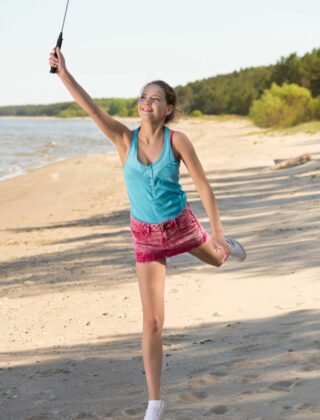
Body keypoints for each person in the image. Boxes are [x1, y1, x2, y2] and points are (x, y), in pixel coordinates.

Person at [49, 46, 246, 420]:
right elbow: (91, 108)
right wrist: (63, 73)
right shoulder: (124, 139)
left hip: (182, 225)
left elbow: (203, 186)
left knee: (217, 261)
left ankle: (225, 249)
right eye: (143, 96)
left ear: (168, 108)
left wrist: (218, 232)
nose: (147, 102)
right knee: (153, 320)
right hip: (145, 236)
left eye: (155, 99)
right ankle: (155, 402)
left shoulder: (178, 141)